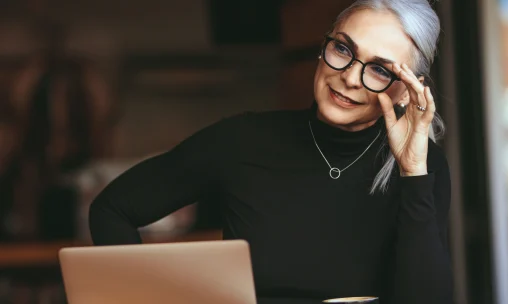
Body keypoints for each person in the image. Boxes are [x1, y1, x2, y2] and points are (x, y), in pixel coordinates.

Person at [89, 0, 454, 303]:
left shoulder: (423, 170)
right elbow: (112, 209)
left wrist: (413, 172)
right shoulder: (242, 140)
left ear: (406, 91)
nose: (350, 77)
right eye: (343, 48)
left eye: (378, 70)